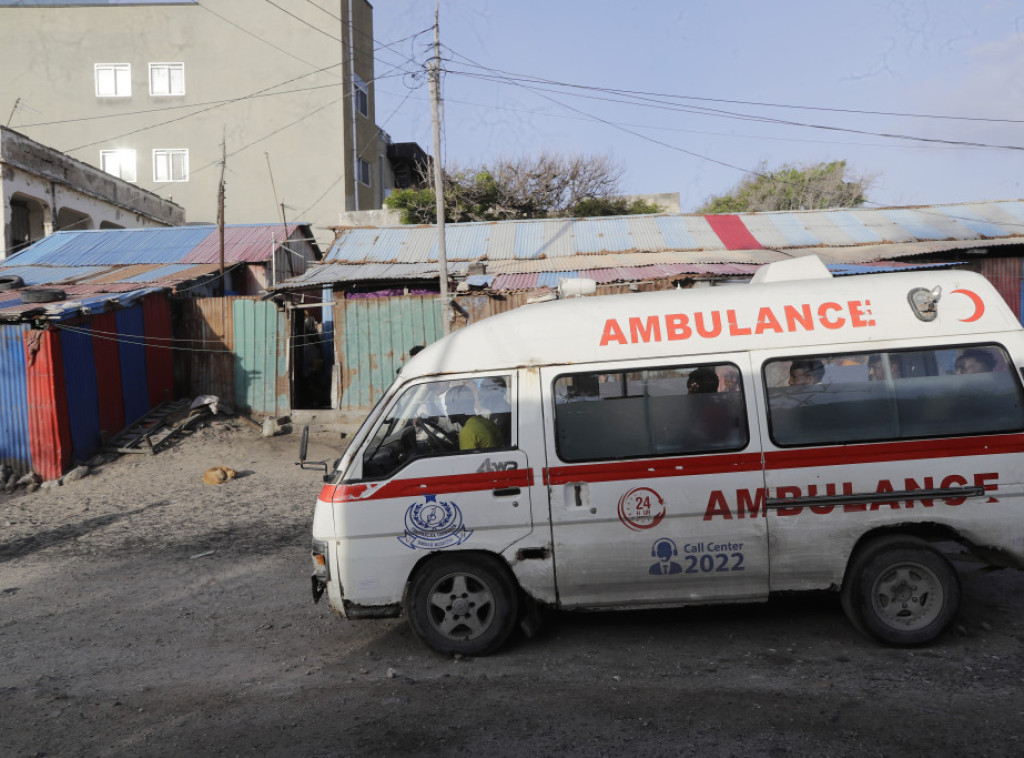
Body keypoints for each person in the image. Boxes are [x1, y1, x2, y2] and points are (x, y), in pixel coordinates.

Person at [443, 384, 502, 451]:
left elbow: (467, 461)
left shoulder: (467, 432)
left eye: (448, 406)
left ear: (459, 407)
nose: (447, 410)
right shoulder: (484, 422)